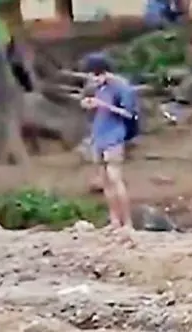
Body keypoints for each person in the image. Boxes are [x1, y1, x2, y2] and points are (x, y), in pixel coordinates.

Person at [80, 54, 138, 232]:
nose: (93, 79)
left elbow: (130, 114)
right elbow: (95, 106)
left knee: (115, 178)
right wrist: (89, 104)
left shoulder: (122, 88)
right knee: (104, 180)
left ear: (104, 72)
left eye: (95, 75)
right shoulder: (100, 87)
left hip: (114, 136)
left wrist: (105, 106)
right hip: (99, 135)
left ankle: (127, 223)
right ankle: (114, 221)